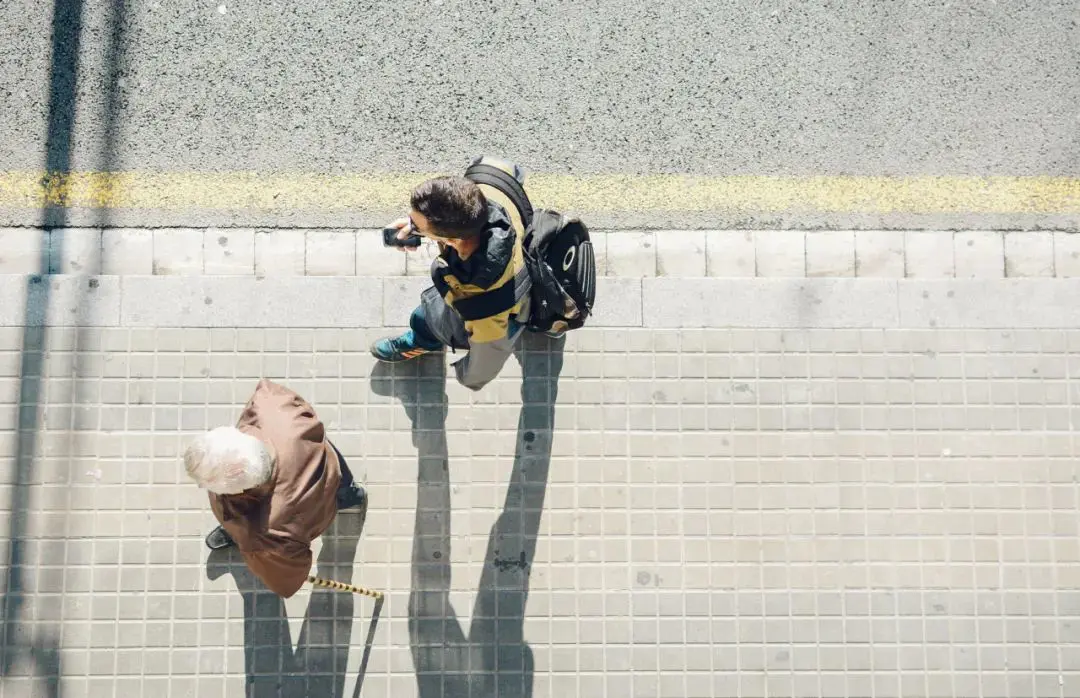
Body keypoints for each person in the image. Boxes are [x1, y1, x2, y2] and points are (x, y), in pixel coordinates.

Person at [183, 378, 366, 598]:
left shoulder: (265, 536)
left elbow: (287, 580)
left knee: (245, 529)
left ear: (238, 492)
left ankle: (235, 531)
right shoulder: (268, 404)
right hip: (321, 457)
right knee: (343, 485)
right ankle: (351, 495)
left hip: (307, 514)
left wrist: (248, 539)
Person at [370, 157, 532, 392]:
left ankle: (424, 340)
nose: (409, 226)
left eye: (417, 226)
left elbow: (483, 367)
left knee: (425, 316)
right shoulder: (489, 179)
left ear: (453, 241)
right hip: (519, 263)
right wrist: (420, 225)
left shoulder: (484, 309)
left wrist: (465, 376)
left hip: (500, 306)